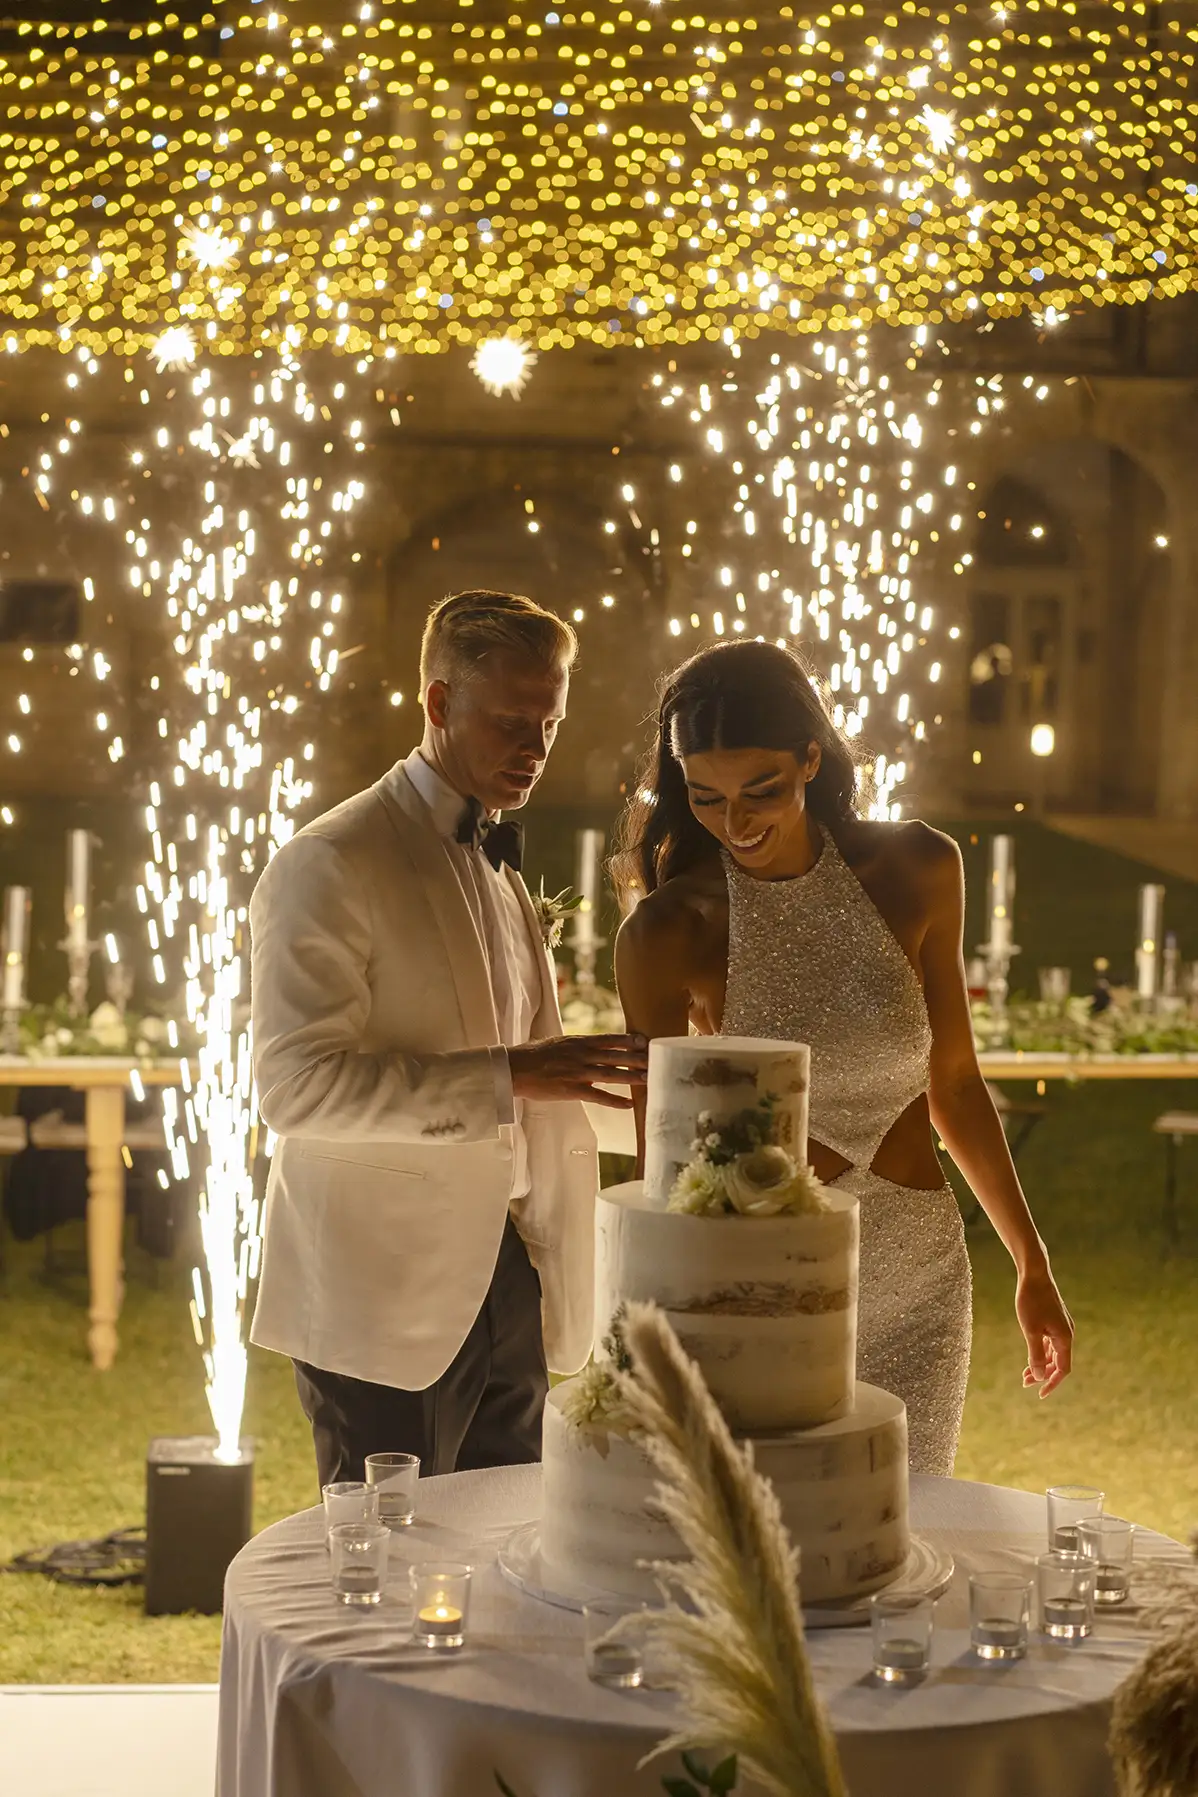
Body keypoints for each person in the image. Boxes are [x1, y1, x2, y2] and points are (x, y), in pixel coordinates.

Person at [612, 638, 1072, 1475]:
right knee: (789, 1548)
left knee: (906, 1528)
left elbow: (958, 1085)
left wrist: (1031, 1263)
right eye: (706, 797)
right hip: (769, 1290)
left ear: (811, 757)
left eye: (763, 789)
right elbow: (667, 1170)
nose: (737, 820)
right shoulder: (668, 933)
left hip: (920, 1284)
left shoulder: (920, 867)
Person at [249, 589, 647, 1490]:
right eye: (511, 721)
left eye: (548, 723)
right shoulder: (331, 860)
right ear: (437, 703)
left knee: (504, 1551)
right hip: (382, 1297)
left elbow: (530, 1068)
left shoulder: (496, 866)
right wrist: (513, 1076)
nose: (534, 749)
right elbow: (297, 1088)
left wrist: (673, 1098)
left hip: (512, 1274)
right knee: (390, 1575)